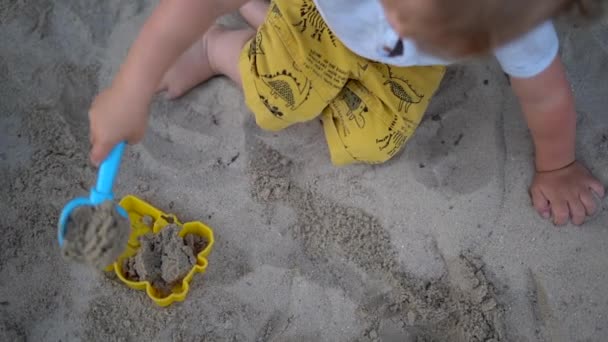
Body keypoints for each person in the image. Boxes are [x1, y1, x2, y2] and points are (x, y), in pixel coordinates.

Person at [88, 0, 605, 226]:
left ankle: (259, 16)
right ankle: (220, 49)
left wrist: (557, 165)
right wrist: (130, 90)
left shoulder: (513, 11)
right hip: (322, 19)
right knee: (278, 97)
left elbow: (544, 92)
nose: (397, 25)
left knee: (373, 140)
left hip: (402, 72)